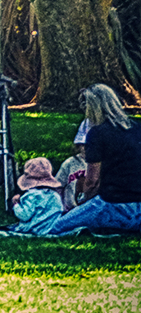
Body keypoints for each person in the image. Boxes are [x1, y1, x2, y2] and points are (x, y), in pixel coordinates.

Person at [50, 84, 141, 235]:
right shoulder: (137, 128)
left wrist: (84, 203)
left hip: (114, 202)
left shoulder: (97, 134)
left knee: (57, 228)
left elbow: (92, 181)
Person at [9, 157, 65, 235]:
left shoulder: (32, 195)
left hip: (33, 229)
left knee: (14, 228)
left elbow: (24, 215)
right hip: (50, 228)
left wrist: (16, 204)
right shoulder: (55, 196)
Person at [55, 120, 90, 211]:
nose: (87, 149)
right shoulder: (70, 163)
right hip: (70, 209)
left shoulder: (101, 163)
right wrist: (60, 205)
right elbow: (58, 186)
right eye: (83, 145)